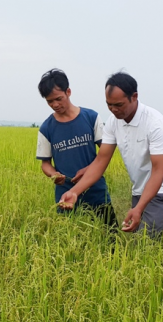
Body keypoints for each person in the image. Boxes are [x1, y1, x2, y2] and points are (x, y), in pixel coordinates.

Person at [58, 72, 163, 239]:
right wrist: (75, 191)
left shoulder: (155, 124)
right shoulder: (113, 122)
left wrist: (138, 208)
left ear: (134, 97)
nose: (114, 109)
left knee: (143, 241)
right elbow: (101, 160)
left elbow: (159, 171)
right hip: (140, 188)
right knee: (138, 239)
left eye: (119, 104)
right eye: (109, 105)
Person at [35, 69, 119, 230]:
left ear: (68, 92)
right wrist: (53, 174)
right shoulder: (46, 128)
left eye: (58, 99)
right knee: (71, 241)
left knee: (111, 238)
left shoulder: (91, 117)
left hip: (96, 191)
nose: (55, 105)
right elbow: (45, 163)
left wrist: (88, 170)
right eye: (50, 101)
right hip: (65, 196)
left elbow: (105, 153)